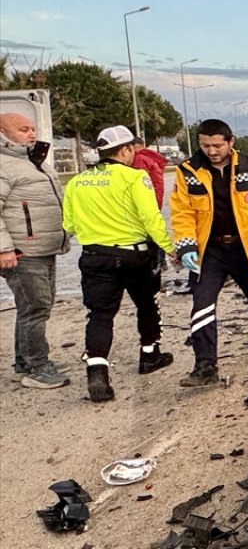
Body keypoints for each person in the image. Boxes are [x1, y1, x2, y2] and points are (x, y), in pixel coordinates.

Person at [62, 126, 177, 402]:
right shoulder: (135, 178)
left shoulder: (77, 182)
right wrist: (170, 248)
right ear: (125, 150)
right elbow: (151, 219)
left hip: (94, 256)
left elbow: (69, 224)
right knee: (147, 304)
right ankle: (150, 355)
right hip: (134, 256)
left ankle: (97, 372)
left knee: (100, 314)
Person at [171, 119, 248, 387]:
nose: (211, 151)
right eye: (205, 145)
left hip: (246, 248)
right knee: (202, 305)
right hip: (210, 251)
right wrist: (186, 245)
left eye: (217, 145)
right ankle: (204, 366)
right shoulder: (188, 171)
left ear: (230, 142)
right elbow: (182, 212)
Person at [0, 112, 71, 389]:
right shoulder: (4, 165)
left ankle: (24, 362)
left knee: (31, 306)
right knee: (36, 307)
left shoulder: (33, 160)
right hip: (21, 251)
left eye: (31, 128)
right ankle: (37, 367)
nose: (31, 134)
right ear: (4, 134)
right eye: (22, 129)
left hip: (43, 247)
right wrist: (4, 249)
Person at [130, 138, 167, 209]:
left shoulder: (139, 159)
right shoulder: (150, 157)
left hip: (146, 202)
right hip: (155, 199)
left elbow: (137, 184)